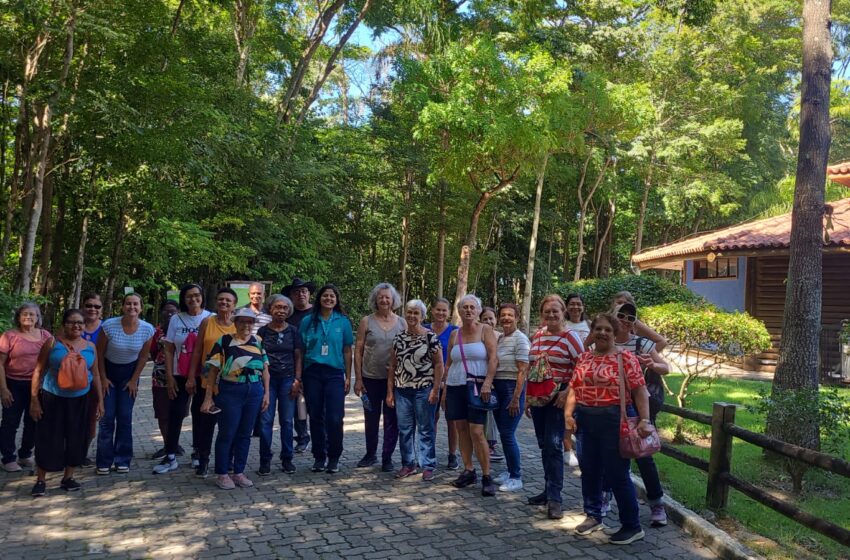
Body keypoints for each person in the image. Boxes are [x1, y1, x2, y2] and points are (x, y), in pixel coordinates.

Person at [565, 313, 652, 545]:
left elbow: (640, 391)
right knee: (590, 470)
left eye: (607, 330)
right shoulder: (584, 358)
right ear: (592, 332)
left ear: (614, 334)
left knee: (617, 474)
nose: (602, 333)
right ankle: (593, 515)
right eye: (598, 329)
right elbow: (574, 387)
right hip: (585, 420)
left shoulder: (625, 358)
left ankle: (632, 525)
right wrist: (567, 414)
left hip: (614, 420)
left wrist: (645, 420)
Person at [29, 309, 104, 496]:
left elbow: (95, 374)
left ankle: (68, 477)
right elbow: (38, 371)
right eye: (71, 322)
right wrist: (34, 400)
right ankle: (41, 479)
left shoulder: (90, 347)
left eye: (80, 323)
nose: (76, 326)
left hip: (80, 399)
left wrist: (101, 400)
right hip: (52, 397)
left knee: (76, 437)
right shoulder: (52, 343)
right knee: (48, 437)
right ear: (64, 324)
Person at [526, 294, 584, 519]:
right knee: (544, 445)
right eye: (546, 311)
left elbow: (582, 367)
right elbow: (533, 368)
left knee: (553, 446)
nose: (551, 315)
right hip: (539, 399)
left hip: (559, 399)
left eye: (555, 311)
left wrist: (568, 391)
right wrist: (528, 399)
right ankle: (547, 489)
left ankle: (555, 498)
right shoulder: (538, 336)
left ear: (563, 313)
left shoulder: (571, 337)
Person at [613, 302, 670, 527]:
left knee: (644, 456)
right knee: (614, 455)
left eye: (631, 317)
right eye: (621, 316)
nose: (626, 321)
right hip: (611, 406)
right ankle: (611, 498)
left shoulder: (642, 344)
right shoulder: (605, 339)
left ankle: (656, 503)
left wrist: (652, 365)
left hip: (638, 407)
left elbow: (665, 367)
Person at [201, 307, 270, 489]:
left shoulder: (258, 341)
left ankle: (238, 472)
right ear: (235, 322)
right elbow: (212, 370)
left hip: (254, 390)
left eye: (249, 321)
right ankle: (222, 473)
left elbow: (266, 370)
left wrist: (267, 393)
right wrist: (208, 398)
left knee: (245, 434)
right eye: (242, 321)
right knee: (227, 433)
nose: (246, 325)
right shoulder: (224, 341)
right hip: (230, 390)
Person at [444, 294, 499, 497]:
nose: (468, 310)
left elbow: (493, 359)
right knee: (461, 430)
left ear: (478, 310)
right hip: (455, 386)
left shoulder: (486, 330)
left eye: (472, 307)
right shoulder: (454, 335)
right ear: (459, 311)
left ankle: (487, 475)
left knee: (477, 431)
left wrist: (488, 383)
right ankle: (468, 470)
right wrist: (444, 388)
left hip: (477, 387)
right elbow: (449, 363)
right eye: (464, 307)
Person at [95, 293, 155, 475]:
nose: (132, 307)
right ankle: (104, 460)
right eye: (128, 304)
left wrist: (134, 380)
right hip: (109, 371)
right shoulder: (109, 326)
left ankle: (122, 459)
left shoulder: (147, 329)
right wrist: (103, 378)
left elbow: (144, 356)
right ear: (122, 307)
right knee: (107, 417)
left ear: (141, 307)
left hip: (129, 374)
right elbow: (99, 353)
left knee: (124, 417)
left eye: (135, 304)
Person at [386, 299, 443, 481]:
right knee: (405, 429)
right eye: (409, 312)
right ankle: (408, 464)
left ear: (422, 316)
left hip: (424, 389)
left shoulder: (430, 337)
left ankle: (427, 465)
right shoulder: (399, 337)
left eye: (416, 313)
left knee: (425, 429)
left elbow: (439, 364)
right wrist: (389, 392)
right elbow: (393, 366)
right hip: (402, 390)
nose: (412, 316)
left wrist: (435, 389)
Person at [299, 284, 353, 474]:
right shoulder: (308, 321)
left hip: (334, 373)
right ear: (319, 298)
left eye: (332, 296)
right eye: (325, 295)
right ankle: (319, 456)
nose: (328, 299)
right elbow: (300, 351)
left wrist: (348, 375)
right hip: (312, 372)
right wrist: (299, 378)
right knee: (315, 416)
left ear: (337, 300)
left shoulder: (343, 321)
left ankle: (334, 456)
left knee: (335, 417)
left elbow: (347, 350)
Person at [159, 284, 212, 473]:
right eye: (189, 296)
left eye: (197, 295)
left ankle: (198, 452)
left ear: (202, 297)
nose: (193, 299)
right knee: (176, 412)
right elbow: (169, 348)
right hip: (179, 373)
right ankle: (171, 454)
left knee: (200, 414)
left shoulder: (210, 318)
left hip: (203, 375)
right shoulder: (176, 319)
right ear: (183, 299)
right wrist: (169, 378)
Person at [186, 287, 237, 477]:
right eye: (221, 299)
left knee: (229, 423)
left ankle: (226, 460)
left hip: (230, 382)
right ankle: (203, 460)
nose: (224, 303)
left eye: (228, 301)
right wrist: (191, 376)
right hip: (206, 381)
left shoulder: (237, 325)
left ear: (234, 305)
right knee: (205, 423)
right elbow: (197, 351)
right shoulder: (207, 322)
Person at [353, 283, 404, 472]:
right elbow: (358, 350)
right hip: (370, 379)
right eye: (381, 297)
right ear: (376, 299)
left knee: (392, 420)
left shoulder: (402, 322)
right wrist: (358, 379)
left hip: (394, 381)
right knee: (370, 417)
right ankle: (370, 453)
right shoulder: (366, 321)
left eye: (387, 297)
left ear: (393, 300)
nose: (384, 300)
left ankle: (387, 456)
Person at [0, 303, 53, 472]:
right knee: (10, 422)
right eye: (24, 314)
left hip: (37, 385)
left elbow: (54, 359)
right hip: (13, 384)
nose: (28, 317)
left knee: (34, 421)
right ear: (18, 317)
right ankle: (8, 458)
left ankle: (25, 454)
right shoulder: (9, 336)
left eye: (32, 314)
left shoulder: (45, 335)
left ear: (38, 318)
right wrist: (3, 389)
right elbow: (0, 364)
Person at [256, 294, 303, 475]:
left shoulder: (293, 331)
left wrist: (297, 380)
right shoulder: (262, 332)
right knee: (266, 421)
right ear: (270, 309)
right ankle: (265, 459)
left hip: (287, 380)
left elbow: (298, 356)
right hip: (267, 381)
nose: (281, 310)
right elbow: (258, 357)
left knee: (287, 421)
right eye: (278, 307)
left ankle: (287, 459)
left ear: (289, 311)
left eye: (285, 308)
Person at [490, 303, 529, 492]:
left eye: (510, 315)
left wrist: (516, 398)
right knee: (503, 433)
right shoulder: (500, 339)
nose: (506, 318)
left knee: (507, 434)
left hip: (512, 388)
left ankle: (516, 476)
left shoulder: (521, 339)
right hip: (498, 386)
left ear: (517, 318)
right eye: (503, 315)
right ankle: (509, 470)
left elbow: (523, 371)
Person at [424, 298, 459, 470]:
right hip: (427, 381)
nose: (441, 313)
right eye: (438, 310)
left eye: (444, 310)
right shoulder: (424, 329)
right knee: (431, 419)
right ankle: (430, 453)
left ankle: (452, 454)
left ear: (449, 312)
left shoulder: (454, 331)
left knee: (452, 419)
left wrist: (446, 379)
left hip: (450, 381)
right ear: (432, 311)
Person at [283, 277, 315, 454]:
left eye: (304, 291)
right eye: (296, 292)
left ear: (309, 294)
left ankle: (321, 438)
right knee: (296, 405)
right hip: (292, 366)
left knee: (316, 405)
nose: (300, 294)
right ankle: (302, 437)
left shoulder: (317, 313)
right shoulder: (288, 314)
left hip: (314, 364)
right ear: (291, 295)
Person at [150, 300, 180, 461]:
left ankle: (175, 443)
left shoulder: (182, 329)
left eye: (173, 311)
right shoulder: (156, 331)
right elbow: (153, 351)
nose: (169, 314)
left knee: (178, 411)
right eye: (166, 311)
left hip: (179, 375)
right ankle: (167, 444)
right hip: (160, 377)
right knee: (162, 413)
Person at [80, 293, 104, 467]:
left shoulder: (105, 329)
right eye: (89, 305)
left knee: (91, 419)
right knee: (71, 418)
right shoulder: (73, 325)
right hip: (71, 381)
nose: (92, 309)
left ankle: (82, 453)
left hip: (95, 381)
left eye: (96, 306)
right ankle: (66, 451)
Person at [478, 307, 503, 464]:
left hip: (499, 380)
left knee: (493, 414)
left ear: (496, 320)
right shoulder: (478, 336)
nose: (488, 321)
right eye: (485, 319)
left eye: (491, 318)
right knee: (485, 413)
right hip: (482, 379)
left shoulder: (501, 337)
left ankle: (491, 444)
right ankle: (486, 445)